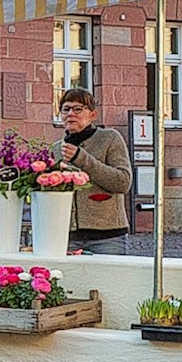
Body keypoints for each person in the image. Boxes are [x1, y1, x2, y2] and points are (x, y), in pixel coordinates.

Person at [55, 90, 134, 251]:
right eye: (66, 109)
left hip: (107, 236)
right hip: (66, 236)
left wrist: (82, 159)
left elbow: (123, 182)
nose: (71, 113)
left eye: (78, 109)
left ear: (93, 115)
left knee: (110, 277)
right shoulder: (56, 149)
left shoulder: (110, 138)